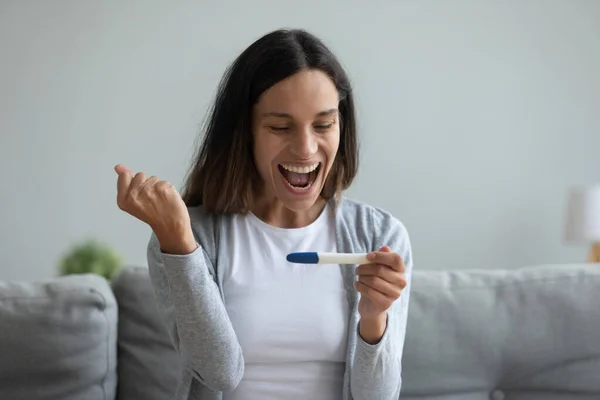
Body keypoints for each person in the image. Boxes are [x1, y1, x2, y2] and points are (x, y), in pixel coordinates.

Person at [114, 28, 413, 400]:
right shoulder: (189, 237)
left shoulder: (380, 235)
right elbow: (217, 373)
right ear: (246, 132)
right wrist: (179, 244)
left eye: (323, 125)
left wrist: (373, 318)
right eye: (280, 127)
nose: (305, 149)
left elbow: (378, 397)